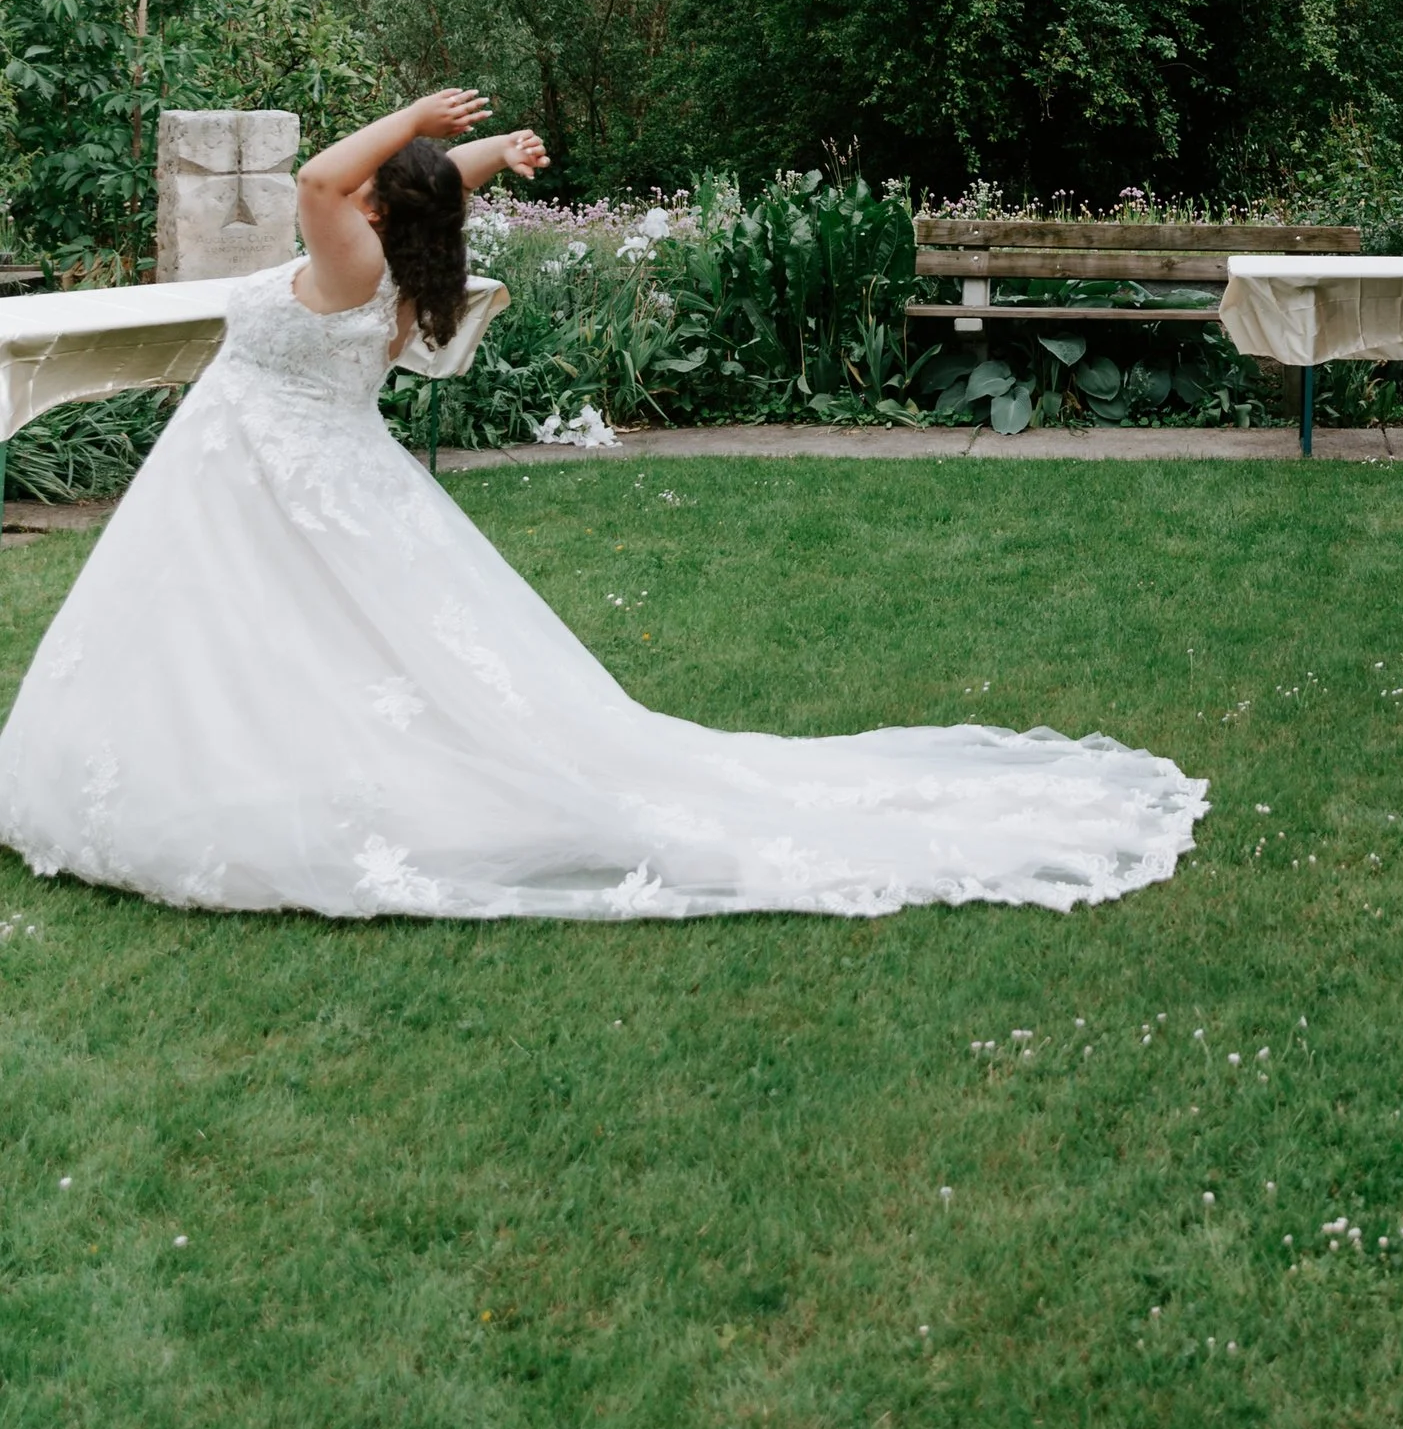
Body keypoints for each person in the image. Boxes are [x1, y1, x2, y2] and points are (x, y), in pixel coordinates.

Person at [0, 90, 1206, 921]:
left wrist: (419, 119)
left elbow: (319, 171)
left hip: (266, 476)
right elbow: (416, 188)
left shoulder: (347, 249)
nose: (365, 180)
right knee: (316, 647)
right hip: (297, 474)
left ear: (377, 200)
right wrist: (488, 153)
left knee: (274, 645)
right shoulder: (405, 248)